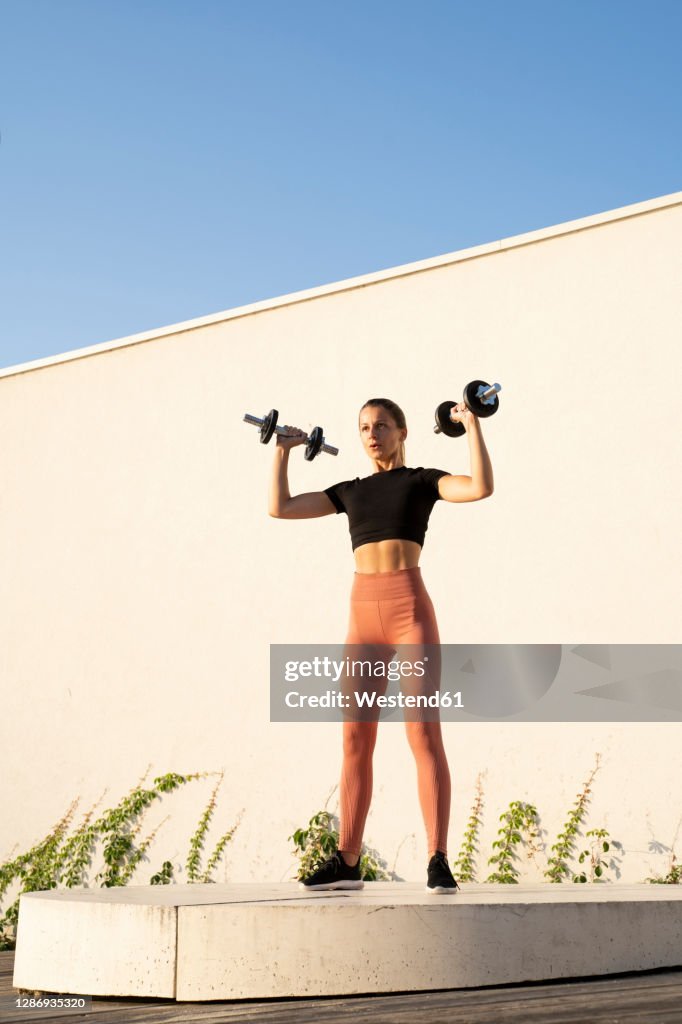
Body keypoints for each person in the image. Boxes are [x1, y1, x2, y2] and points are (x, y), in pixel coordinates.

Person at [269, 397, 494, 893]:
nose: (372, 434)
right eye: (365, 427)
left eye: (382, 425)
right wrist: (282, 452)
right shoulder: (349, 491)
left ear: (402, 431)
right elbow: (280, 508)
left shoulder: (421, 481)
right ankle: (347, 860)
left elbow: (480, 487)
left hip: (408, 611)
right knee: (355, 739)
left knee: (422, 733)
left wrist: (473, 425)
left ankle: (437, 856)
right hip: (362, 617)